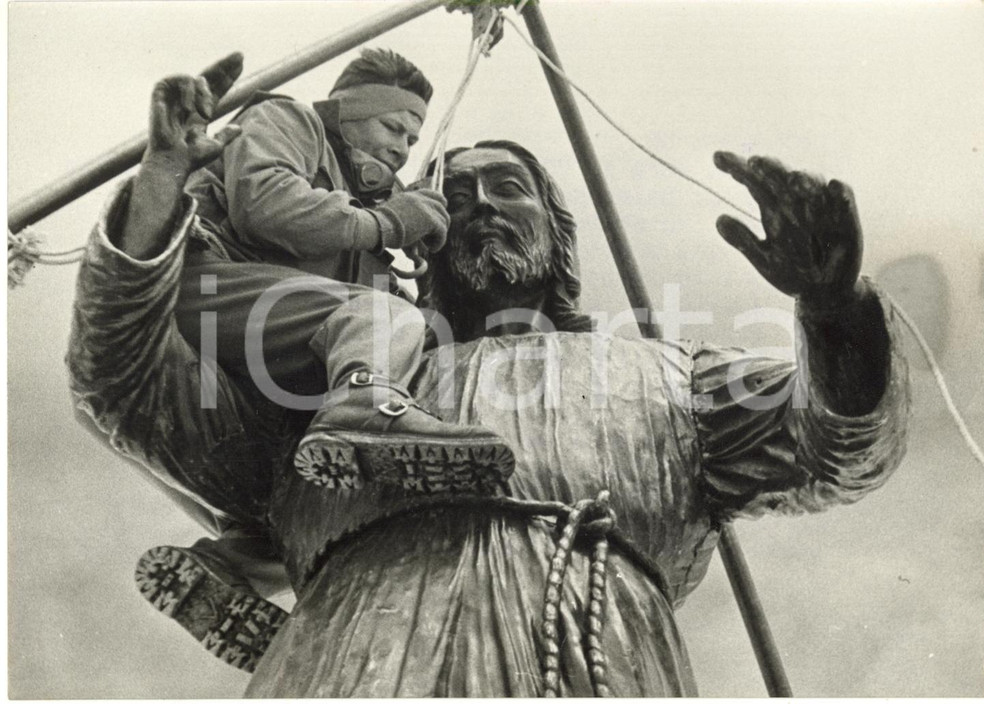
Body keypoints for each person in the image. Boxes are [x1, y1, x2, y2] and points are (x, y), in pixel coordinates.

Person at [68, 56, 909, 695]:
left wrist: (833, 309)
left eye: (507, 187)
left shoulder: (662, 378)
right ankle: (239, 563)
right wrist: (159, 192)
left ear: (558, 232)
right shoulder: (319, 392)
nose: (478, 205)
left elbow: (838, 444)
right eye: (452, 192)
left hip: (592, 666)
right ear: (417, 243)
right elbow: (124, 382)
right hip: (345, 669)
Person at [121, 51, 515, 671]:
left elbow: (358, 302)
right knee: (380, 322)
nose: (403, 148)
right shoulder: (291, 122)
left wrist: (412, 258)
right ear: (348, 113)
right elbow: (265, 201)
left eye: (413, 137)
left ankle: (232, 564)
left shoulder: (361, 208)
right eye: (393, 127)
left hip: (263, 342)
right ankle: (363, 406)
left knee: (306, 487)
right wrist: (386, 222)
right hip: (207, 288)